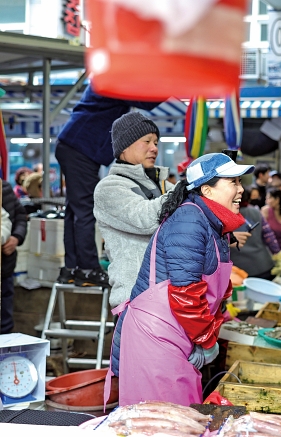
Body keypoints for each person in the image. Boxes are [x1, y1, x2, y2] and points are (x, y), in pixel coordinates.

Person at [105, 153, 255, 406]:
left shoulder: (211, 223)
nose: (241, 190)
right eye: (234, 182)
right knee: (162, 421)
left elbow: (211, 288)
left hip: (177, 330)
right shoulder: (190, 219)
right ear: (207, 189)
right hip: (156, 335)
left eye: (240, 182)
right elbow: (185, 291)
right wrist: (206, 340)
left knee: (179, 417)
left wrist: (214, 326)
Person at [55, 84, 160, 287]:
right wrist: (179, 82)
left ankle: (72, 268)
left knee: (75, 210)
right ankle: (87, 269)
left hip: (75, 146)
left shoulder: (106, 74)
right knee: (85, 210)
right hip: (80, 147)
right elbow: (145, 101)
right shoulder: (111, 78)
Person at [93, 112, 174, 308]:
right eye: (147, 141)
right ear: (124, 147)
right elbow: (146, 218)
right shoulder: (110, 188)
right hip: (136, 298)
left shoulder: (161, 186)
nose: (154, 148)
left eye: (156, 142)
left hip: (167, 295)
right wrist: (184, 189)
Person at [230, 187, 281, 279]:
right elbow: (269, 236)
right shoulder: (256, 212)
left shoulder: (223, 215)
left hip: (238, 272)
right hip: (263, 265)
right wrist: (278, 254)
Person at [1, 180, 28, 334]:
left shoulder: (4, 188)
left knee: (5, 322)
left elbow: (20, 215)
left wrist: (16, 238)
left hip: (5, 268)